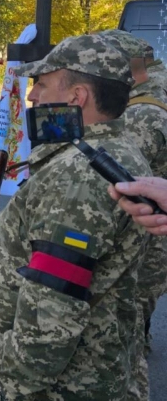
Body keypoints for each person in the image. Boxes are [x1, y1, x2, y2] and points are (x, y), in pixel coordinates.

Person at [0, 35, 153, 401]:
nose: (33, 95)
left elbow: (51, 311)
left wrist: (13, 386)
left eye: (41, 83)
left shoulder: (79, 173)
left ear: (77, 96)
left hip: (58, 384)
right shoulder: (107, 149)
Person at [100, 29, 167, 388]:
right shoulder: (155, 92)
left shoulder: (142, 113)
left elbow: (124, 177)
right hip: (153, 222)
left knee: (129, 313)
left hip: (145, 231)